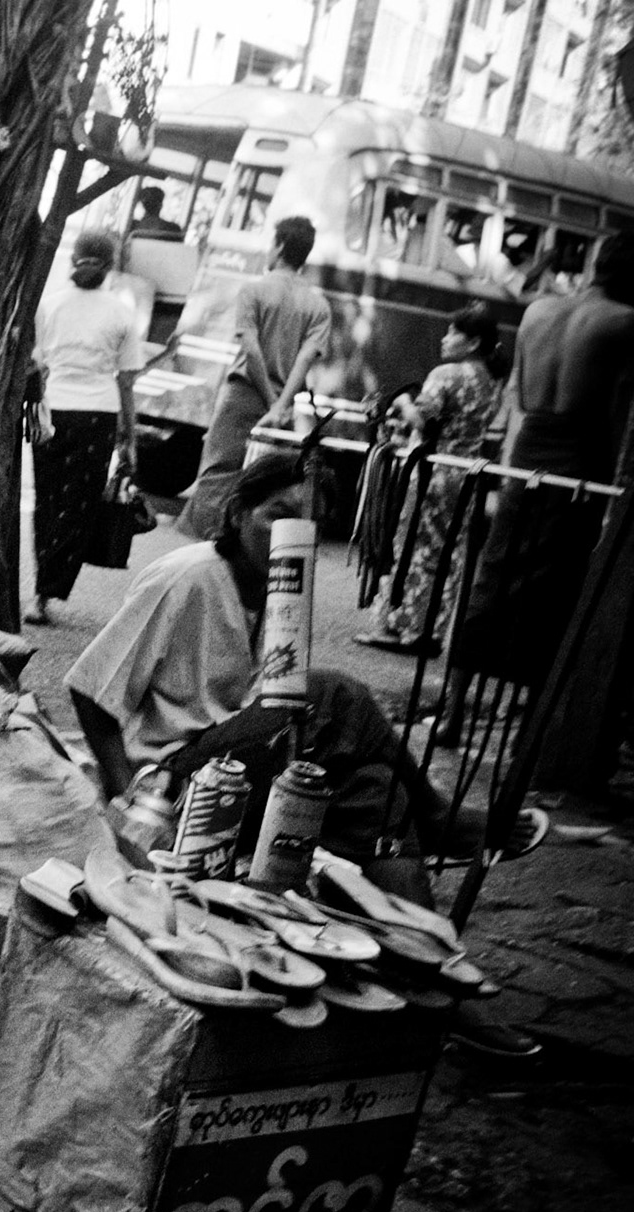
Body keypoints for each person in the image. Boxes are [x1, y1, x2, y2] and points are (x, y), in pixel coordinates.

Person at [67, 452, 541, 910]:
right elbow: (90, 688)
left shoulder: (282, 591)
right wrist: (130, 800)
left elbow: (262, 717)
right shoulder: (186, 576)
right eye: (278, 515)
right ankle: (437, 815)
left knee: (377, 790)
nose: (292, 533)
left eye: (309, 524)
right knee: (329, 693)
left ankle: (425, 949)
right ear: (236, 514)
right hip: (178, 777)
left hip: (243, 760)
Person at [450, 234, 634, 705]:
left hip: (528, 452)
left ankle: (453, 709)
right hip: (580, 462)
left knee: (494, 575)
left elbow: (517, 395)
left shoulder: (537, 311)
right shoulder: (625, 323)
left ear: (595, 263)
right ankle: (530, 708)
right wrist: (613, 497)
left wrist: (508, 467)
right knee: (555, 592)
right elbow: (619, 416)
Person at [354, 303, 505, 656]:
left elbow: (422, 420)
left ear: (473, 342)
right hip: (467, 476)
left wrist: (405, 402)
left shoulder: (446, 374)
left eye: (454, 333)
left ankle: (402, 627)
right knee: (449, 555)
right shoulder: (491, 381)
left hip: (432, 474)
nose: (445, 338)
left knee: (415, 549)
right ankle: (431, 632)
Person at [174, 217, 331, 541]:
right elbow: (304, 358)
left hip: (244, 394)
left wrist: (271, 402)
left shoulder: (254, 290)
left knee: (218, 474)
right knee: (261, 484)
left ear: (280, 246)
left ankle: (202, 554)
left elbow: (252, 349)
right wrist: (281, 405)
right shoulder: (318, 305)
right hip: (284, 407)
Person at [26, 230, 144, 626]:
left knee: (47, 500)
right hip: (98, 415)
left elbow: (36, 367)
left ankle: (39, 593)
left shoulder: (49, 306)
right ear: (111, 266)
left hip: (51, 410)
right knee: (77, 508)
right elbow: (126, 381)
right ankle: (47, 590)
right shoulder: (121, 313)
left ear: (72, 258)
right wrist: (129, 436)